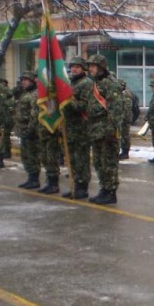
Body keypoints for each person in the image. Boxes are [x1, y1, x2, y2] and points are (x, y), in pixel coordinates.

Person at [86, 54, 123, 204]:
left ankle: (110, 191)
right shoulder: (95, 83)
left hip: (107, 131)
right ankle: (104, 189)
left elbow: (115, 109)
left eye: (93, 66)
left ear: (101, 67)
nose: (90, 69)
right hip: (96, 130)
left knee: (108, 163)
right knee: (99, 162)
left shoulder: (110, 84)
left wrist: (111, 130)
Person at [61, 57, 93, 199]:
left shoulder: (86, 83)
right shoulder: (70, 83)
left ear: (83, 69)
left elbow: (85, 106)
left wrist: (68, 102)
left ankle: (82, 187)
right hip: (70, 126)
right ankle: (74, 185)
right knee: (72, 158)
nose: (74, 69)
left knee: (81, 158)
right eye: (72, 67)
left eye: (77, 67)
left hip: (81, 126)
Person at [15, 71, 42, 189]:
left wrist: (31, 129)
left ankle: (34, 179)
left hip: (31, 130)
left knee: (32, 155)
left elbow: (34, 114)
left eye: (26, 80)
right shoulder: (25, 93)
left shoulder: (34, 94)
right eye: (23, 80)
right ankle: (30, 177)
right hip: (23, 129)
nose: (23, 82)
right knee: (25, 155)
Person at [117, 79, 133, 160]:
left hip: (125, 119)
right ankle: (123, 151)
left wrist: (123, 118)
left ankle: (125, 152)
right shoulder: (121, 94)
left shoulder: (126, 95)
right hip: (122, 118)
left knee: (125, 136)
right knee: (122, 135)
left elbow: (126, 109)